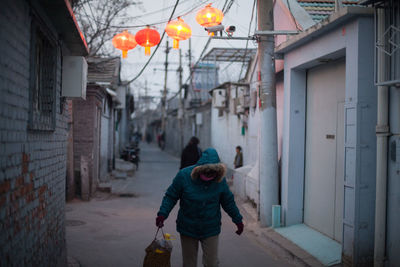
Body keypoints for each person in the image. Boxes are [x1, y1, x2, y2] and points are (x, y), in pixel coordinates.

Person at [156, 148, 244, 267]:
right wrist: (162, 214)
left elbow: (228, 202)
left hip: (210, 228)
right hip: (188, 227)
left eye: (212, 173)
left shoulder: (220, 181)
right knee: (189, 264)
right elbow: (171, 196)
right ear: (199, 169)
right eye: (206, 172)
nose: (209, 176)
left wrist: (238, 220)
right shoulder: (184, 176)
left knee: (211, 263)